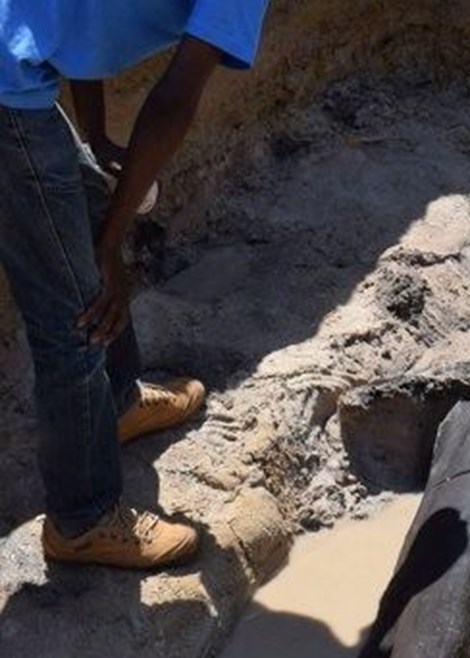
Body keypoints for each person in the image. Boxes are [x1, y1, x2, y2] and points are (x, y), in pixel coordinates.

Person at [0, 1, 271, 570]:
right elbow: (173, 101)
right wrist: (111, 247)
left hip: (16, 65)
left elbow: (72, 14)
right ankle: (82, 521)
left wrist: (95, 136)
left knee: (89, 219)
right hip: (9, 94)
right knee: (77, 315)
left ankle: (119, 402)